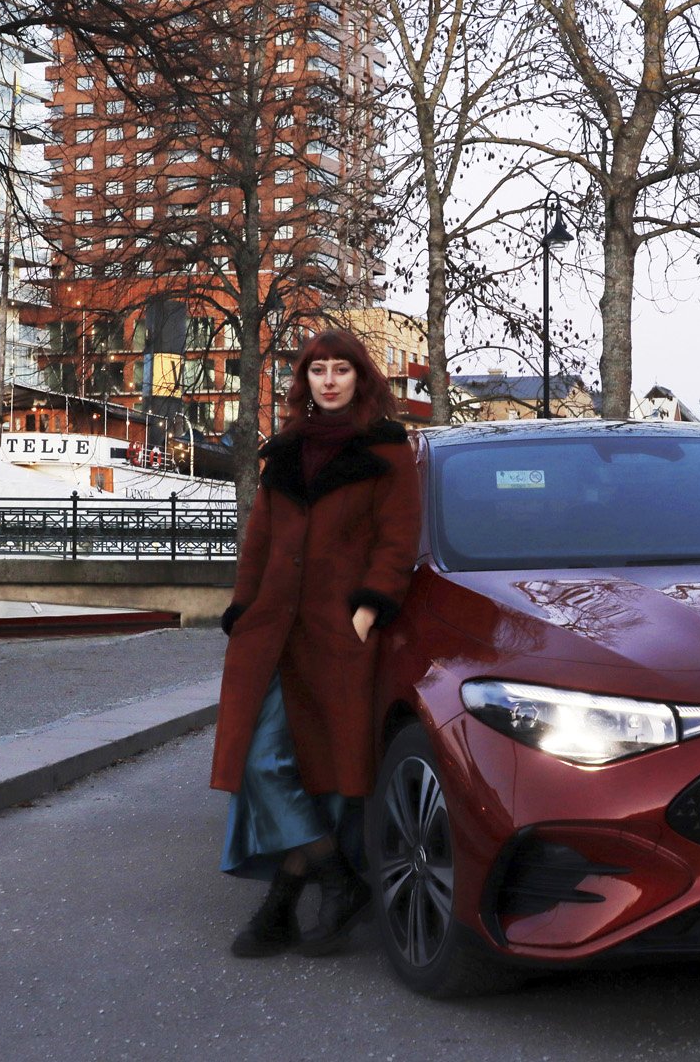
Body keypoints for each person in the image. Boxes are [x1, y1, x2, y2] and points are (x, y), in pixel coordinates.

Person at [210, 328, 420, 958]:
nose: (329, 380)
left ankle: (280, 903)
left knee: (322, 769)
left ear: (361, 378)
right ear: (306, 381)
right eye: (318, 370)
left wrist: (368, 609)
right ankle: (334, 876)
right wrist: (242, 609)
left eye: (341, 370)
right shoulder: (286, 452)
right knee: (263, 759)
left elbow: (397, 540)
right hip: (272, 631)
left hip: (335, 632)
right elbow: (259, 542)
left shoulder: (388, 450)